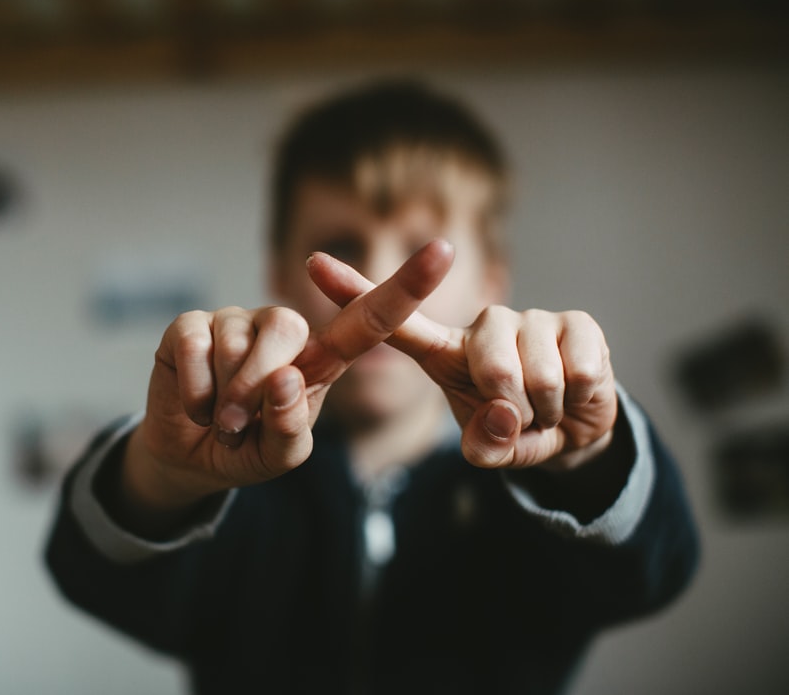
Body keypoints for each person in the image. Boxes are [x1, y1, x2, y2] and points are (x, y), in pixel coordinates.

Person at [44, 79, 699, 694]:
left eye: (421, 252)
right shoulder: (231, 488)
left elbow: (650, 573)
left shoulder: (525, 503)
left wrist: (587, 454)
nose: (380, 287)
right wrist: (163, 476)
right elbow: (91, 574)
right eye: (341, 244)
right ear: (278, 270)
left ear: (493, 281)